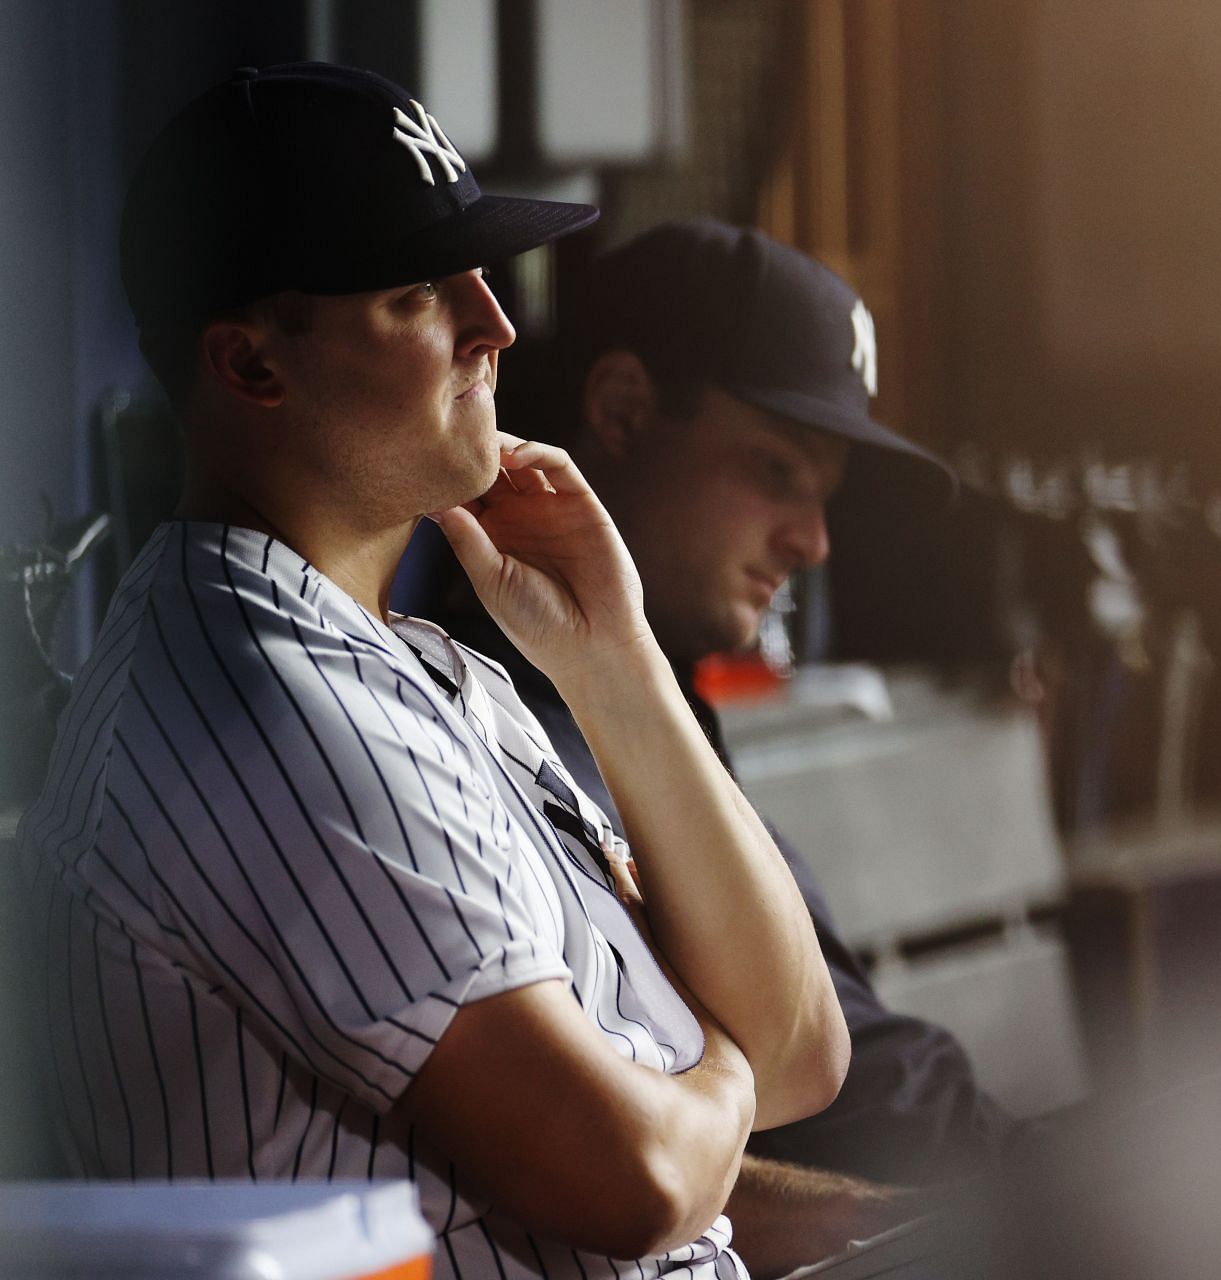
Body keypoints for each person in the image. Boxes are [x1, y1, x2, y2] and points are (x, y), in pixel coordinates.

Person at [21, 65, 847, 1279]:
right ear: (251, 366)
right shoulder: (265, 706)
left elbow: (806, 1050)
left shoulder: (409, 659)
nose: (495, 321)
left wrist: (610, 655)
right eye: (419, 291)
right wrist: (722, 1065)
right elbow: (645, 1174)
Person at [430, 219, 1019, 1276]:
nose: (813, 539)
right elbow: (622, 1135)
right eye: (776, 469)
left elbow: (825, 1052)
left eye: (823, 493)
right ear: (620, 412)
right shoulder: (491, 720)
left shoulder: (649, 691)